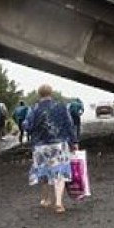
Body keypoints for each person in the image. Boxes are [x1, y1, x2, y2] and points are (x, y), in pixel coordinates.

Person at [23, 84, 76, 214]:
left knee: (43, 172)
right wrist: (74, 142)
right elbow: (70, 125)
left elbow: (27, 126)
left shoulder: (33, 109)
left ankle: (45, 199)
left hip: (40, 146)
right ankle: (58, 202)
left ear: (39, 94)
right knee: (60, 172)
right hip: (59, 144)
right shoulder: (61, 107)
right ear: (51, 93)